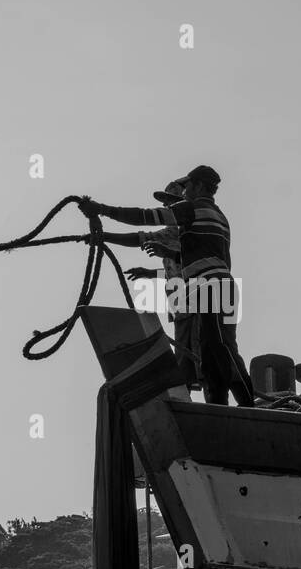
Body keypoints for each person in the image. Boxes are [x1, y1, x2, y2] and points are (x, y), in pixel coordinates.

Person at [80, 165, 256, 407]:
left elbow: (143, 218)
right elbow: (203, 255)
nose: (184, 195)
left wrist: (101, 210)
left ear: (200, 187)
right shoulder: (216, 215)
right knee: (211, 354)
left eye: (189, 187)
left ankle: (247, 407)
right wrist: (170, 255)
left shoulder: (192, 209)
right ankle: (221, 411)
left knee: (220, 349)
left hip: (211, 287)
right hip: (217, 286)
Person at [100, 178, 197, 390]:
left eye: (170, 204)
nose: (166, 208)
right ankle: (190, 390)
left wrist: (103, 235)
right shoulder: (184, 229)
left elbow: (139, 237)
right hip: (185, 298)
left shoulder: (177, 230)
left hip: (191, 299)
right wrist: (150, 273)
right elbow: (178, 267)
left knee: (187, 352)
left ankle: (188, 396)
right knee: (191, 353)